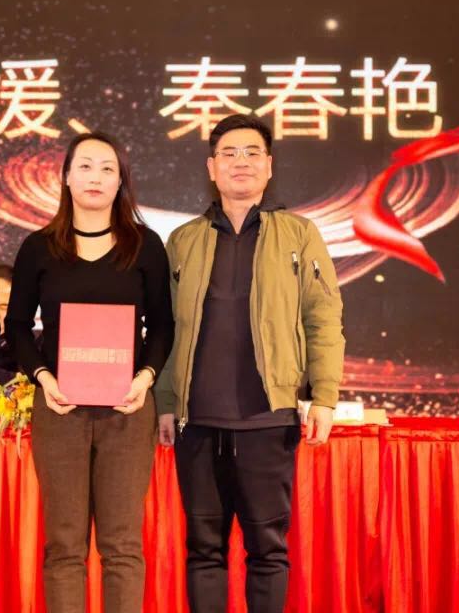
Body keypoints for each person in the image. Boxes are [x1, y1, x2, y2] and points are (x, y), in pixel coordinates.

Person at [155, 113, 345, 613]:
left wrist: (324, 397)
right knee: (204, 552)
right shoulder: (184, 240)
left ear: (269, 166)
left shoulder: (299, 235)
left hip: (268, 417)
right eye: (229, 153)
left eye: (252, 152)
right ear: (211, 168)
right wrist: (165, 401)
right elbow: (165, 328)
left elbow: (324, 318)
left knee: (268, 550)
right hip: (197, 420)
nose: (241, 162)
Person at [6, 131, 174, 613]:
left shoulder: (145, 245)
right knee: (64, 545)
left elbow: (163, 325)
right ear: (65, 177)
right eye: (84, 166)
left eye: (107, 168)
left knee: (122, 545)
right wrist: (44, 378)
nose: (95, 177)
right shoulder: (39, 247)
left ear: (121, 181)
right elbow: (17, 326)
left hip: (128, 410)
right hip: (60, 410)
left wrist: (145, 378)